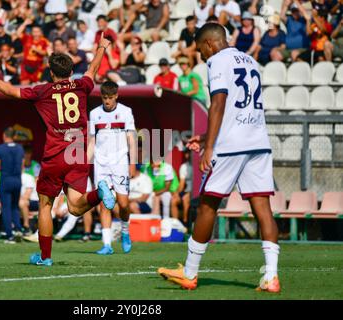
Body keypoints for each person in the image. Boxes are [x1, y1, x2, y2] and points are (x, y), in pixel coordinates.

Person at [0, 32, 116, 266]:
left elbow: (10, 91)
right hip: (78, 153)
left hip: (55, 155)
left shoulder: (43, 91)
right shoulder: (81, 85)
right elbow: (92, 69)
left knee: (45, 205)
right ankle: (99, 193)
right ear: (71, 71)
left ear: (52, 73)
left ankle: (45, 257)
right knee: (76, 207)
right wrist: (101, 46)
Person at [158, 23, 280, 293]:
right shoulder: (250, 61)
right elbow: (238, 106)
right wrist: (204, 137)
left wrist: (209, 146)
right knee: (263, 208)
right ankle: (271, 276)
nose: (201, 55)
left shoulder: (217, 61)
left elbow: (219, 103)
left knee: (207, 205)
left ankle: (189, 273)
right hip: (258, 141)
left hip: (231, 147)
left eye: (201, 49)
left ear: (210, 44)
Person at [88, 81, 136, 255]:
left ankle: (125, 231)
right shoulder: (94, 114)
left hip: (120, 162)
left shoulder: (125, 112)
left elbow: (131, 139)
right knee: (104, 204)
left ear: (116, 96)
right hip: (101, 163)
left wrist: (132, 163)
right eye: (104, 98)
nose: (107, 101)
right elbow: (92, 141)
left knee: (123, 204)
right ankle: (107, 244)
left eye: (110, 98)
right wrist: (84, 163)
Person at [0, 127, 25, 243]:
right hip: (17, 180)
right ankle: (18, 229)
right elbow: (22, 167)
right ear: (14, 136)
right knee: (15, 207)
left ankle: (10, 235)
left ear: (4, 135)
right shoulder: (20, 149)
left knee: (6, 208)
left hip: (6, 180)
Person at [17, 19, 50, 84]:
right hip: (26, 66)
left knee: (36, 85)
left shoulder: (44, 41)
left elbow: (46, 53)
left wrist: (36, 50)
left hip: (37, 67)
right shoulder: (28, 38)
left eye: (37, 32)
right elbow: (18, 33)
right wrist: (24, 24)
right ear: (31, 32)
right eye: (34, 32)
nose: (36, 34)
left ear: (41, 32)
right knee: (24, 84)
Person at [19, 171, 39, 235]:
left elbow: (27, 196)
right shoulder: (11, 178)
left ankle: (26, 227)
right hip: (22, 202)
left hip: (34, 201)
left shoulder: (27, 177)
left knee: (22, 203)